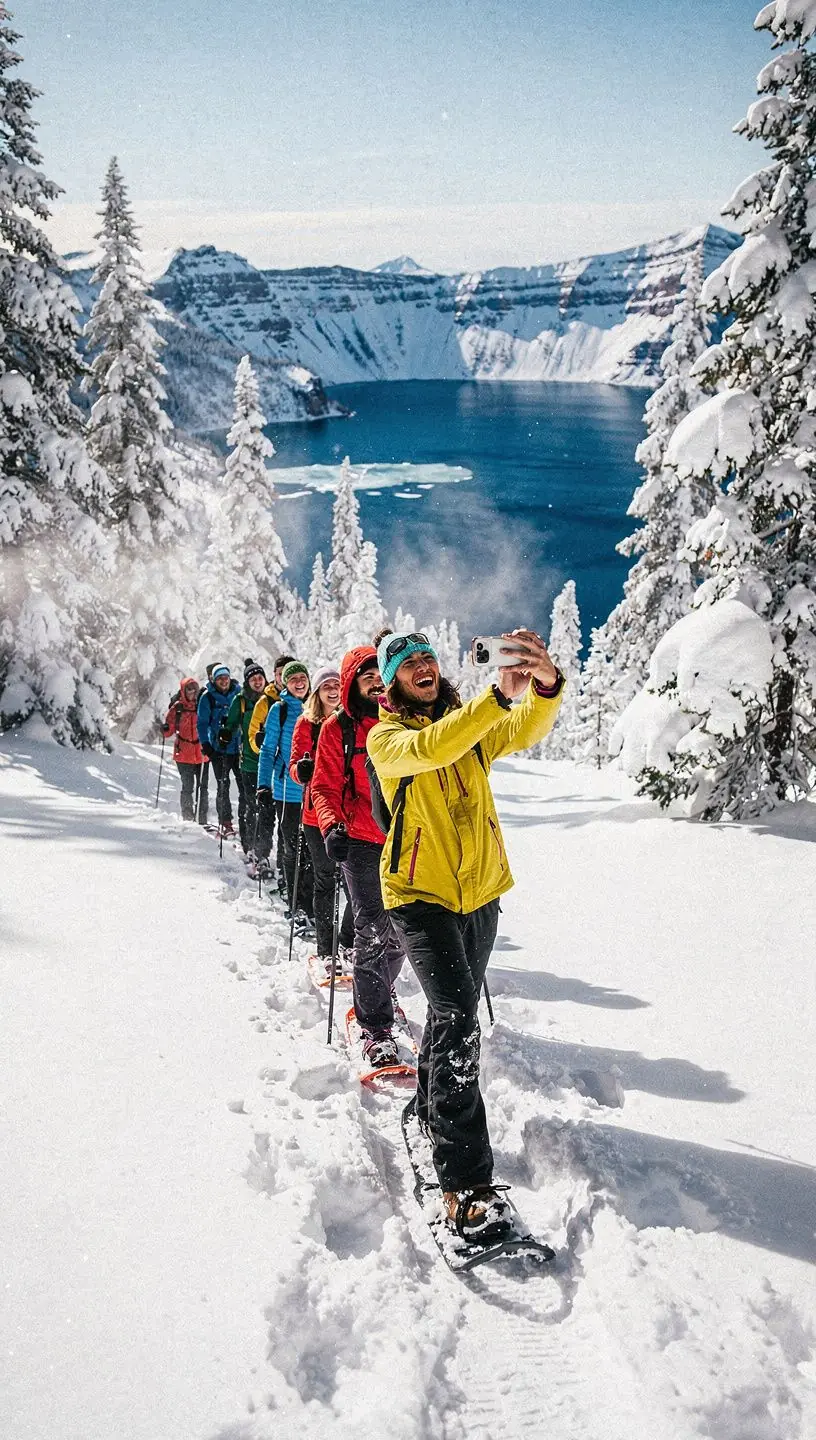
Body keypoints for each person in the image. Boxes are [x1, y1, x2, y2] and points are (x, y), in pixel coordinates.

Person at [366, 627, 564, 1238]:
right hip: (418, 897)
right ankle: (465, 1183)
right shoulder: (387, 738)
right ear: (392, 681)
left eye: (427, 657)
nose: (422, 667)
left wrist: (545, 688)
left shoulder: (470, 725)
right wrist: (495, 700)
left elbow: (523, 729)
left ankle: (432, 1109)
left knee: (450, 1014)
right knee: (457, 1018)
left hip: (480, 895)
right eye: (408, 663)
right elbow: (433, 748)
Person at [311, 646, 406, 1067]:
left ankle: (380, 987)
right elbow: (323, 786)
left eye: (380, 675)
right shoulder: (339, 729)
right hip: (360, 840)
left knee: (402, 931)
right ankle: (376, 1028)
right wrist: (331, 826)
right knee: (371, 927)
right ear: (352, 684)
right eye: (367, 677)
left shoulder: (403, 721)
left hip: (406, 840)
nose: (376, 683)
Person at [289, 664, 355, 967]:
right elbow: (295, 764)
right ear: (317, 692)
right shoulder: (307, 724)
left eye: (336, 685)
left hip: (351, 813)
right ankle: (327, 949)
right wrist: (301, 771)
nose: (332, 690)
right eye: (326, 686)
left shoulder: (350, 722)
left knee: (356, 885)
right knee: (326, 879)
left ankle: (348, 942)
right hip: (316, 815)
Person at [256, 660, 314, 927]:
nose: (299, 683)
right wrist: (263, 785)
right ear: (285, 684)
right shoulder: (278, 710)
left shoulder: (317, 706)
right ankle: (294, 903)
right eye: (293, 679)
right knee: (292, 847)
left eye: (302, 677)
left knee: (312, 850)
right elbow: (268, 751)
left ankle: (309, 904)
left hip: (314, 792)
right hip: (286, 790)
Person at [248, 653, 296, 887]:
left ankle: (283, 870)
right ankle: (262, 856)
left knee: (287, 828)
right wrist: (260, 743)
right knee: (267, 817)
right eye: (279, 673)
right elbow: (254, 737)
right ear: (275, 676)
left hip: (292, 778)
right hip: (274, 772)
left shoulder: (303, 700)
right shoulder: (266, 702)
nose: (283, 678)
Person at [218, 659, 268, 861]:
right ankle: (249, 845)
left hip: (269, 762)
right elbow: (231, 724)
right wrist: (225, 733)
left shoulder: (271, 699)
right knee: (249, 804)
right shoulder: (240, 701)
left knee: (265, 809)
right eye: (253, 679)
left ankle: (263, 849)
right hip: (248, 761)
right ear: (247, 682)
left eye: (260, 678)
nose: (257, 682)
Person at [197, 663, 242, 836]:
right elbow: (202, 724)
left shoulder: (238, 693)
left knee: (244, 786)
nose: (224, 681)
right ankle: (225, 822)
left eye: (226, 677)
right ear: (214, 680)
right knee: (223, 786)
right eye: (220, 678)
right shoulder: (207, 697)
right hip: (219, 749)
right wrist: (206, 745)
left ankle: (245, 821)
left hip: (239, 748)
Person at [162, 677, 208, 824]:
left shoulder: (203, 705)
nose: (192, 692)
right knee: (187, 787)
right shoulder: (177, 708)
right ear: (183, 690)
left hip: (202, 752)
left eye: (194, 689)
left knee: (203, 788)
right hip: (183, 754)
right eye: (189, 689)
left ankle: (202, 819)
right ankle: (188, 817)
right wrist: (165, 728)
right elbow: (168, 732)